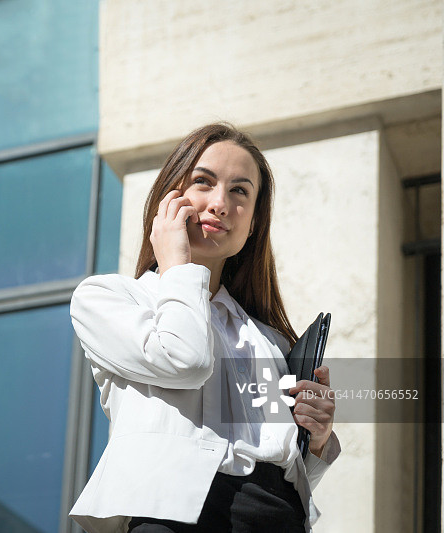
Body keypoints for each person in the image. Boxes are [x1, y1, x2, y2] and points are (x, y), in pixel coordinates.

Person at [68, 123, 340, 533]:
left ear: (254, 224)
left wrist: (315, 438)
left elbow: (281, 465)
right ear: (168, 198)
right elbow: (186, 360)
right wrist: (177, 264)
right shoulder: (108, 298)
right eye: (203, 182)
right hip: (174, 518)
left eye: (239, 191)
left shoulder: (268, 340)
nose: (220, 204)